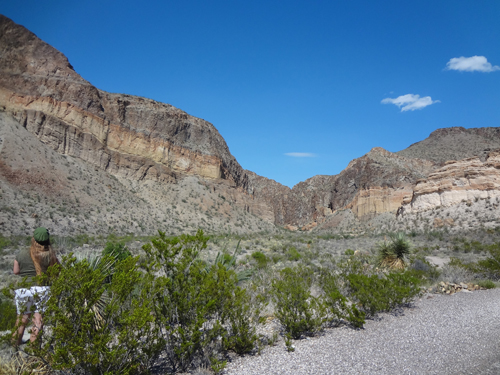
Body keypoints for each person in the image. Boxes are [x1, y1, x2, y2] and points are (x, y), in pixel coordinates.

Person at [12, 227, 59, 346]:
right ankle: (33, 351)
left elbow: (16, 271)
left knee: (21, 321)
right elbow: (57, 271)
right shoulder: (50, 255)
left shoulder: (22, 253)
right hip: (42, 289)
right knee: (38, 320)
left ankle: (13, 348)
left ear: (33, 238)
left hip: (24, 289)